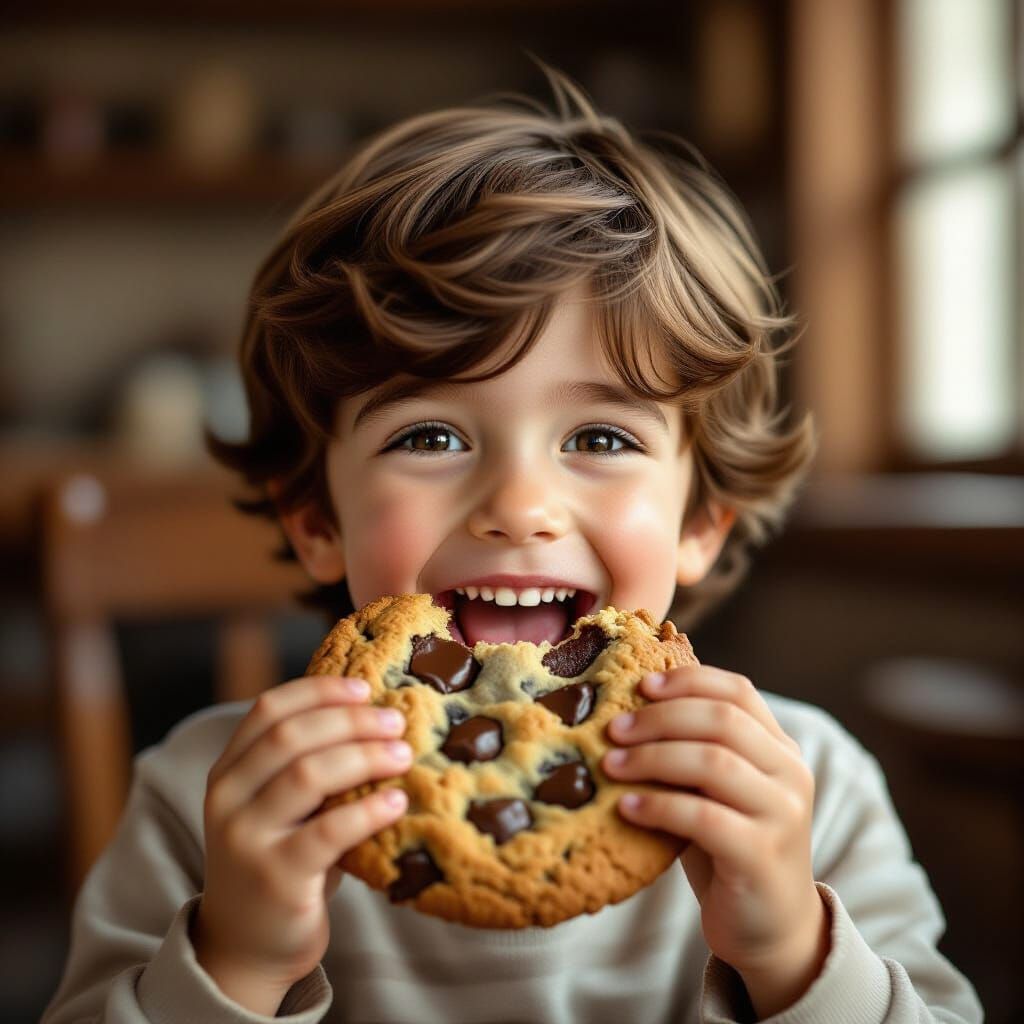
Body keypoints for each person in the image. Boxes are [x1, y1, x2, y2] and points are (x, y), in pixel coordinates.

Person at [43, 62, 983, 1023]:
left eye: (601, 438)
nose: (520, 504)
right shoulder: (212, 796)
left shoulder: (809, 790)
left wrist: (791, 951)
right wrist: (236, 958)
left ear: (701, 522)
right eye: (432, 437)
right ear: (317, 519)